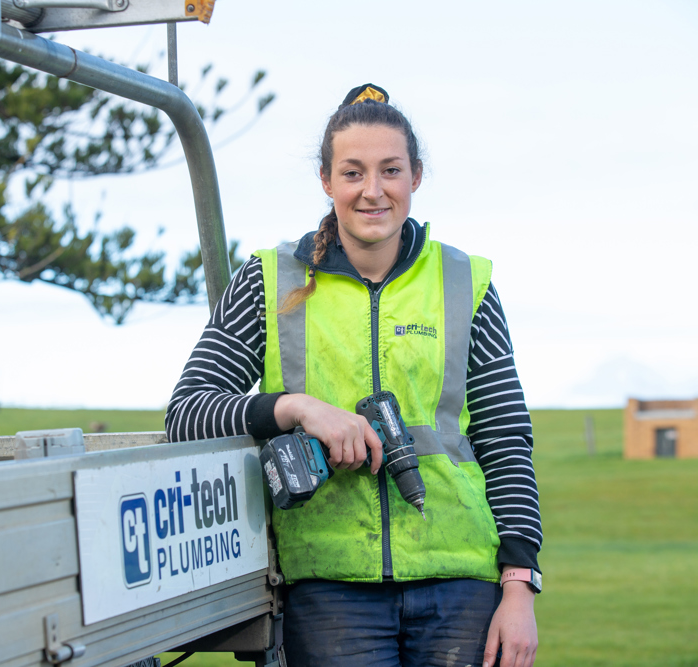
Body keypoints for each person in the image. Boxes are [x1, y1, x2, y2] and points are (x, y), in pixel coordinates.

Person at [165, 84, 541, 667]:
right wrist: (294, 408)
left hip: (461, 584)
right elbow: (187, 413)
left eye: (390, 170)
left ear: (416, 176)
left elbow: (506, 440)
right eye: (353, 172)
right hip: (329, 589)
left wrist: (519, 585)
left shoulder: (466, 281)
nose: (373, 191)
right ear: (326, 181)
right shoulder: (269, 281)